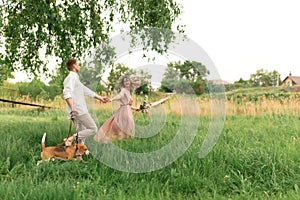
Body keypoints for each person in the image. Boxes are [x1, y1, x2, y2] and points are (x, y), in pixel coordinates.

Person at [63, 58, 110, 160]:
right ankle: (70, 139)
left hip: (78, 109)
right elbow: (66, 94)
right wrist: (72, 108)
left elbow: (86, 90)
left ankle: (79, 157)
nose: (79, 66)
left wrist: (100, 98)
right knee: (93, 129)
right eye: (78, 64)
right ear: (74, 66)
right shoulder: (70, 78)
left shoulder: (75, 79)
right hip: (78, 110)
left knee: (81, 132)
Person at [94, 75, 139, 142]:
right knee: (123, 125)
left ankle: (124, 140)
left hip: (128, 110)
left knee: (127, 125)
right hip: (124, 111)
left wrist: (136, 108)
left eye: (128, 80)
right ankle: (119, 139)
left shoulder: (128, 91)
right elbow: (119, 96)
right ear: (123, 83)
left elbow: (129, 105)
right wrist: (112, 99)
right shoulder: (123, 90)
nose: (126, 82)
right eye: (125, 81)